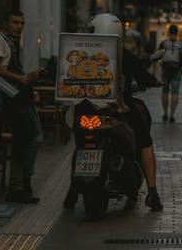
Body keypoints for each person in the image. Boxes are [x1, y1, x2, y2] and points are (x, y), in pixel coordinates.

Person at [63, 13, 164, 212]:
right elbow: (143, 77)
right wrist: (154, 81)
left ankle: (72, 191)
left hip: (84, 112)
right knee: (145, 141)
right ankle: (152, 192)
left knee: (81, 143)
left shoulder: (80, 53)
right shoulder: (123, 54)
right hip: (118, 113)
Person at [0, 10, 44, 204]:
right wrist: (21, 78)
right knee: (33, 138)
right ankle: (22, 181)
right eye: (15, 23)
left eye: (22, 23)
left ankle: (18, 187)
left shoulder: (11, 42)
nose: (19, 26)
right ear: (5, 23)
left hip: (21, 97)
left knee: (24, 142)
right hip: (13, 100)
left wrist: (29, 82)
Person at [159, 24, 182, 123]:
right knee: (175, 93)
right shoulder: (181, 44)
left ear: (169, 32)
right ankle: (172, 115)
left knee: (165, 92)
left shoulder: (163, 43)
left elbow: (158, 57)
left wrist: (159, 69)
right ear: (177, 32)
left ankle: (165, 114)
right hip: (176, 70)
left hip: (166, 69)